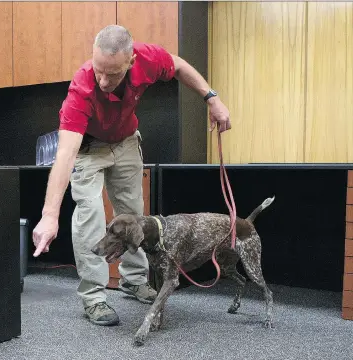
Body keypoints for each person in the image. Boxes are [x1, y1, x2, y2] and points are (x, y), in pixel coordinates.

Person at [32, 25, 231, 326]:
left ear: (131, 61)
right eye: (99, 70)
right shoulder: (82, 88)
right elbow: (65, 154)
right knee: (90, 214)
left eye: (112, 74)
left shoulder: (148, 59)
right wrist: (49, 215)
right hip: (88, 149)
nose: (103, 80)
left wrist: (211, 98)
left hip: (125, 141)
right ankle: (94, 298)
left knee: (133, 216)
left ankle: (134, 280)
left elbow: (178, 65)